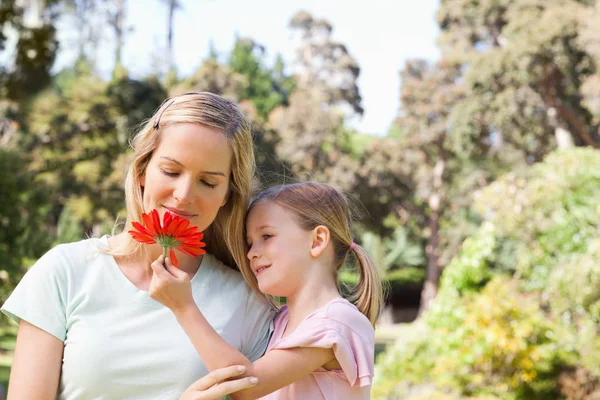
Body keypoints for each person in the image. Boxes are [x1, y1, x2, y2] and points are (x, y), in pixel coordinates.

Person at [1, 92, 276, 399]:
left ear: (227, 194)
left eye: (208, 182)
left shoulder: (248, 302)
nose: (184, 194)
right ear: (143, 169)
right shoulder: (64, 272)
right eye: (171, 171)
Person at [149, 181, 385, 399]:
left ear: (317, 241)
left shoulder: (337, 321)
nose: (252, 252)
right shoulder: (280, 322)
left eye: (267, 236)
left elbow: (244, 385)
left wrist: (184, 308)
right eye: (250, 243)